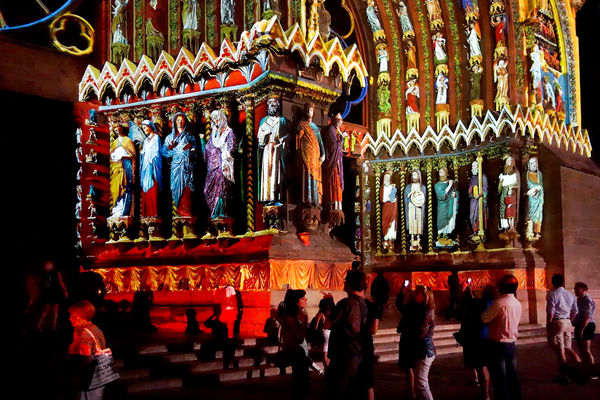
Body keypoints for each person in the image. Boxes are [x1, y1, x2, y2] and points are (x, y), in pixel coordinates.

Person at [324, 269, 368, 400]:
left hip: (343, 353)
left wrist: (327, 308)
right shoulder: (362, 303)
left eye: (345, 280)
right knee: (350, 391)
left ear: (350, 283)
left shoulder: (346, 303)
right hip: (357, 352)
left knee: (336, 391)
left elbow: (328, 324)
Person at [481, 274, 522, 400]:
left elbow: (484, 318)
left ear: (501, 287)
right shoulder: (517, 303)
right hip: (511, 343)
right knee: (512, 376)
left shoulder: (499, 303)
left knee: (499, 378)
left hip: (497, 344)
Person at [459, 284, 498, 400]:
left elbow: (467, 316)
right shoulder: (496, 304)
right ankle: (488, 392)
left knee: (481, 367)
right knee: (486, 367)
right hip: (490, 337)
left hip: (478, 337)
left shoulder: (478, 303)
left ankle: (485, 393)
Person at [397, 285, 436, 400]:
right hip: (415, 347)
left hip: (422, 349)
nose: (413, 293)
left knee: (421, 383)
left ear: (425, 297)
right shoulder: (412, 306)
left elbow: (421, 332)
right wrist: (402, 293)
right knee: (420, 382)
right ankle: (411, 393)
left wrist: (407, 332)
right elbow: (400, 306)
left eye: (417, 292)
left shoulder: (426, 311)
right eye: (414, 291)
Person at [67, 300, 107, 400]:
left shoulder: (85, 334)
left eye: (75, 316)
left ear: (85, 318)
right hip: (98, 377)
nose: (70, 319)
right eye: (71, 315)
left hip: (87, 379)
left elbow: (86, 359)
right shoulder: (94, 328)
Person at [546, 273, 582, 384]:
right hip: (567, 322)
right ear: (563, 282)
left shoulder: (552, 294)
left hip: (557, 321)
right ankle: (580, 369)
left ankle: (564, 376)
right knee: (568, 348)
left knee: (560, 351)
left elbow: (550, 311)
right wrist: (569, 319)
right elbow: (575, 311)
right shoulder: (570, 295)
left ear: (553, 282)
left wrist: (549, 323)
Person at [276, 289, 311, 400]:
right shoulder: (291, 318)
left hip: (301, 353)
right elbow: (299, 338)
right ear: (296, 301)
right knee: (301, 386)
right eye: (302, 298)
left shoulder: (296, 316)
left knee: (302, 386)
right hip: (297, 353)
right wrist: (304, 323)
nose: (305, 300)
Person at [161, 112, 197, 218]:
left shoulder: (189, 137)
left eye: (181, 120)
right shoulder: (169, 138)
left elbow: (195, 151)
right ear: (174, 122)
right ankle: (177, 212)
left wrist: (190, 150)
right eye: (177, 120)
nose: (179, 122)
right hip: (175, 167)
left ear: (185, 121)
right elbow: (164, 152)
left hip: (186, 166)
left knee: (186, 188)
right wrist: (171, 149)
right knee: (175, 187)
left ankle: (186, 213)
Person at [204, 110, 237, 219]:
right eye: (213, 119)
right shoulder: (213, 134)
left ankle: (222, 212)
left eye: (216, 118)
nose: (215, 121)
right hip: (212, 165)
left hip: (223, 164)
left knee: (221, 188)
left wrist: (226, 152)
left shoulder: (229, 132)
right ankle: (214, 212)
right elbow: (208, 149)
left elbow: (232, 146)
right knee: (207, 189)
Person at [257, 96, 288, 205]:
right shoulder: (264, 121)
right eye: (269, 104)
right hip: (266, 150)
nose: (271, 106)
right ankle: (267, 197)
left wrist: (282, 141)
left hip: (277, 150)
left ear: (277, 107)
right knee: (267, 172)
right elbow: (259, 138)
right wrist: (263, 137)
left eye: (274, 104)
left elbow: (286, 136)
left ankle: (276, 197)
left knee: (276, 173)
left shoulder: (281, 120)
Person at [296, 102, 325, 206]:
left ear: (314, 112)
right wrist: (299, 135)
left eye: (311, 110)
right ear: (305, 112)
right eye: (307, 110)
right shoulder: (301, 124)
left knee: (315, 178)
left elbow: (320, 142)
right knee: (307, 177)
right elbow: (297, 141)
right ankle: (308, 200)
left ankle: (316, 201)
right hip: (306, 154)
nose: (309, 112)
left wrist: (323, 155)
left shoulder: (315, 127)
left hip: (315, 156)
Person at [358, 294, 382, 400]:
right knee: (368, 381)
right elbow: (374, 329)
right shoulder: (374, 307)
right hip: (366, 344)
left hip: (356, 344)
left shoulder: (357, 305)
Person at [110, 123, 136, 218]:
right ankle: (116, 208)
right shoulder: (115, 142)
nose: (117, 131)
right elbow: (111, 154)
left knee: (125, 187)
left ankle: (124, 210)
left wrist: (124, 156)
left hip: (126, 164)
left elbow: (133, 154)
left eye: (118, 129)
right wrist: (115, 158)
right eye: (115, 130)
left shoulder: (127, 140)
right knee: (115, 187)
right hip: (117, 166)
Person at [36, 259, 68, 332]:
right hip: (51, 291)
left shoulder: (52, 272)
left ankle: (52, 326)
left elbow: (60, 281)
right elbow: (60, 281)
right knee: (47, 309)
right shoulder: (47, 272)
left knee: (54, 309)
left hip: (54, 291)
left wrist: (64, 290)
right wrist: (65, 290)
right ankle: (40, 325)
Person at [573, 281, 597, 377]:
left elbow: (587, 317)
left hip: (587, 326)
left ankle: (592, 371)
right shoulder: (578, 299)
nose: (574, 290)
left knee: (586, 349)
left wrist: (582, 329)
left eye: (576, 289)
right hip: (579, 325)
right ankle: (585, 368)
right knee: (581, 349)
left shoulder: (588, 300)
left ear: (584, 290)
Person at [139, 120, 162, 219]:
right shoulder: (145, 141)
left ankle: (154, 213)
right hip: (146, 166)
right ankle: (146, 214)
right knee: (145, 190)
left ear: (150, 126)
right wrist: (142, 154)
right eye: (143, 129)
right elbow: (144, 152)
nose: (144, 130)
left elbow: (157, 152)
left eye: (145, 128)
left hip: (153, 166)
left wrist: (152, 159)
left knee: (153, 189)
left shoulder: (156, 137)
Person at [322, 112, 345, 211]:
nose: (340, 123)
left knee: (338, 182)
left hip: (337, 162)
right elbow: (333, 148)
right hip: (332, 163)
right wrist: (341, 139)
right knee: (334, 182)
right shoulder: (330, 130)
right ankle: (333, 204)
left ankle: (338, 204)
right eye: (338, 120)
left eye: (341, 120)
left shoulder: (335, 130)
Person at [308, 294, 335, 368]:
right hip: (331, 334)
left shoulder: (320, 314)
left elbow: (315, 327)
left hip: (324, 334)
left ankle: (328, 373)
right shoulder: (333, 314)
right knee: (329, 356)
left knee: (324, 356)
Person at [434, 167, 458, 247]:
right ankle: (441, 236)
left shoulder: (453, 183)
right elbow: (441, 196)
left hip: (450, 205)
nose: (440, 173)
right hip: (442, 206)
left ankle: (447, 236)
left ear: (446, 173)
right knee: (441, 221)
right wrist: (450, 185)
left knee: (450, 220)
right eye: (439, 172)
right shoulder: (437, 185)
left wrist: (455, 195)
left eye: (442, 172)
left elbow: (456, 193)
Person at [404, 170, 426, 251]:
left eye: (415, 175)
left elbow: (424, 198)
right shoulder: (408, 187)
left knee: (419, 223)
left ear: (419, 176)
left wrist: (419, 195)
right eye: (412, 175)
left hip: (419, 208)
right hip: (411, 207)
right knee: (412, 223)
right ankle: (412, 239)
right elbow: (406, 197)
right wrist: (410, 194)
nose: (414, 177)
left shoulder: (422, 187)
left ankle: (419, 239)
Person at [524, 157, 543, 241]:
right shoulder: (525, 174)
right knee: (530, 213)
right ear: (528, 165)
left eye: (535, 163)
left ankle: (537, 232)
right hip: (530, 198)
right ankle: (529, 231)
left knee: (538, 214)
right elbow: (524, 187)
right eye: (531, 163)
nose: (534, 165)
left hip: (538, 198)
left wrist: (538, 189)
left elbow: (541, 185)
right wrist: (530, 191)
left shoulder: (539, 174)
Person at [498, 156, 519, 231]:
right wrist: (500, 188)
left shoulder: (515, 173)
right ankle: (504, 225)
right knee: (502, 208)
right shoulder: (502, 174)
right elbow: (499, 186)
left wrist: (511, 188)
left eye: (509, 161)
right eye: (507, 162)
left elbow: (517, 185)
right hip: (503, 192)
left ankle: (511, 226)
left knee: (510, 209)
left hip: (511, 193)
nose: (508, 163)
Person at [380, 172, 398, 252]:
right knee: (385, 222)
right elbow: (382, 199)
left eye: (388, 177)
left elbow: (394, 197)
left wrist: (394, 200)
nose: (387, 179)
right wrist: (388, 199)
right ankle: (385, 239)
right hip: (386, 207)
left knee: (392, 223)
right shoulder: (382, 188)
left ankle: (391, 241)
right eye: (385, 178)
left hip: (392, 208)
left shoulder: (393, 187)